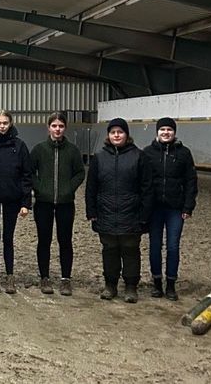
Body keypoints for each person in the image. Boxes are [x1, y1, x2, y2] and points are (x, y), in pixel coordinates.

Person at [85, 118, 152, 303]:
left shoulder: (139, 156)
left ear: (126, 134)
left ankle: (131, 286)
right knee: (109, 250)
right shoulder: (99, 157)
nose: (116, 135)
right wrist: (92, 212)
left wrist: (144, 215)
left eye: (120, 132)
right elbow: (91, 187)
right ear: (108, 135)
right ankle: (110, 284)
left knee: (130, 250)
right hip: (106, 213)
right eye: (113, 132)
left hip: (131, 214)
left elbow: (147, 188)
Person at [30, 112, 85, 296]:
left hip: (65, 203)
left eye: (61, 126)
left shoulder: (72, 151)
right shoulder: (39, 150)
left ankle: (65, 278)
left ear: (65, 128)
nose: (57, 129)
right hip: (43, 203)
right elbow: (30, 172)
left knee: (65, 240)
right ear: (49, 127)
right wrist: (40, 188)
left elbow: (80, 173)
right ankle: (44, 277)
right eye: (54, 126)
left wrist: (68, 188)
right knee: (44, 240)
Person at [143, 117, 198, 301]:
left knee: (173, 246)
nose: (166, 132)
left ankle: (171, 284)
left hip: (175, 209)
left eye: (169, 129)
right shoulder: (148, 153)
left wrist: (188, 206)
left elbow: (191, 181)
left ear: (174, 132)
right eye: (162, 129)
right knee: (155, 246)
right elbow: (142, 181)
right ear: (157, 132)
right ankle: (157, 282)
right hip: (154, 208)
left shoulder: (184, 153)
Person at [0, 110, 32, 295]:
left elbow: (26, 175)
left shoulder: (20, 146)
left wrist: (25, 202)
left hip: (12, 199)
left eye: (5, 123)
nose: (2, 126)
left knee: (8, 238)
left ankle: (10, 276)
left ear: (10, 124)